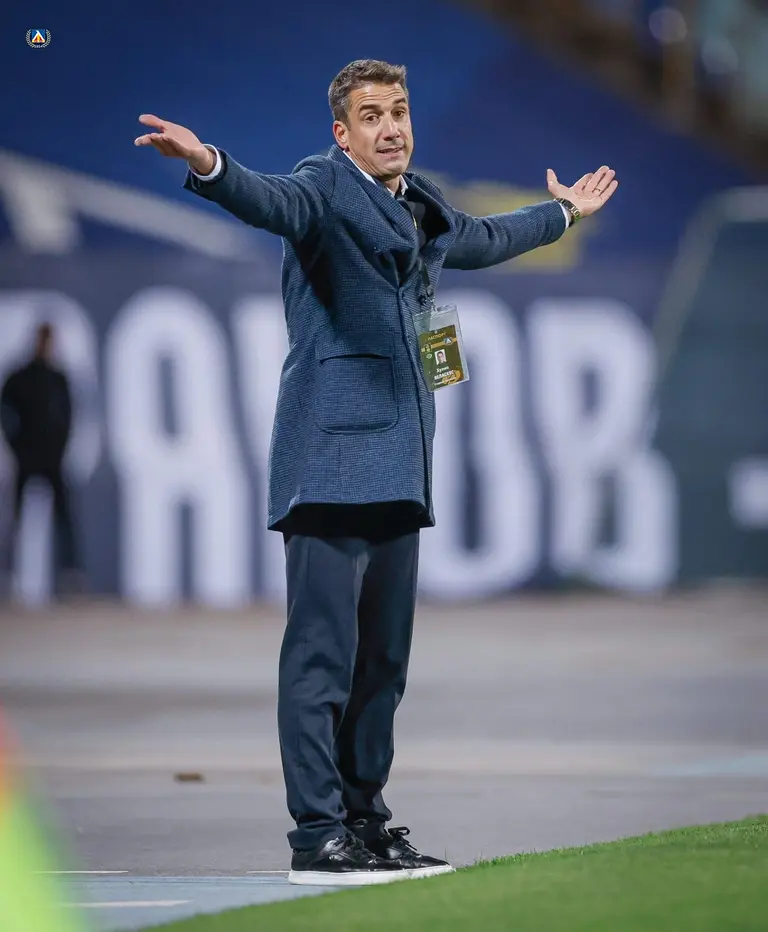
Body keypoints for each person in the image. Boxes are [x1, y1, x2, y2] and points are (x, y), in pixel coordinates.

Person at [135, 58, 618, 886]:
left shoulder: (419, 203)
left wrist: (564, 211)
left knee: (382, 666)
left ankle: (365, 822)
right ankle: (316, 837)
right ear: (342, 132)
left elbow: (487, 238)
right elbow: (268, 200)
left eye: (398, 110)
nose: (391, 127)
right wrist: (208, 162)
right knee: (321, 660)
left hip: (398, 463)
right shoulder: (323, 187)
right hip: (329, 461)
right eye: (371, 115)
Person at [0, 324, 80, 592]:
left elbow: (68, 415)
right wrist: (16, 445)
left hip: (52, 459)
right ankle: (8, 573)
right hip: (26, 457)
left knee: (64, 518)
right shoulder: (20, 377)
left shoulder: (57, 378)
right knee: (15, 518)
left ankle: (71, 574)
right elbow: (6, 411)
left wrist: (60, 446)